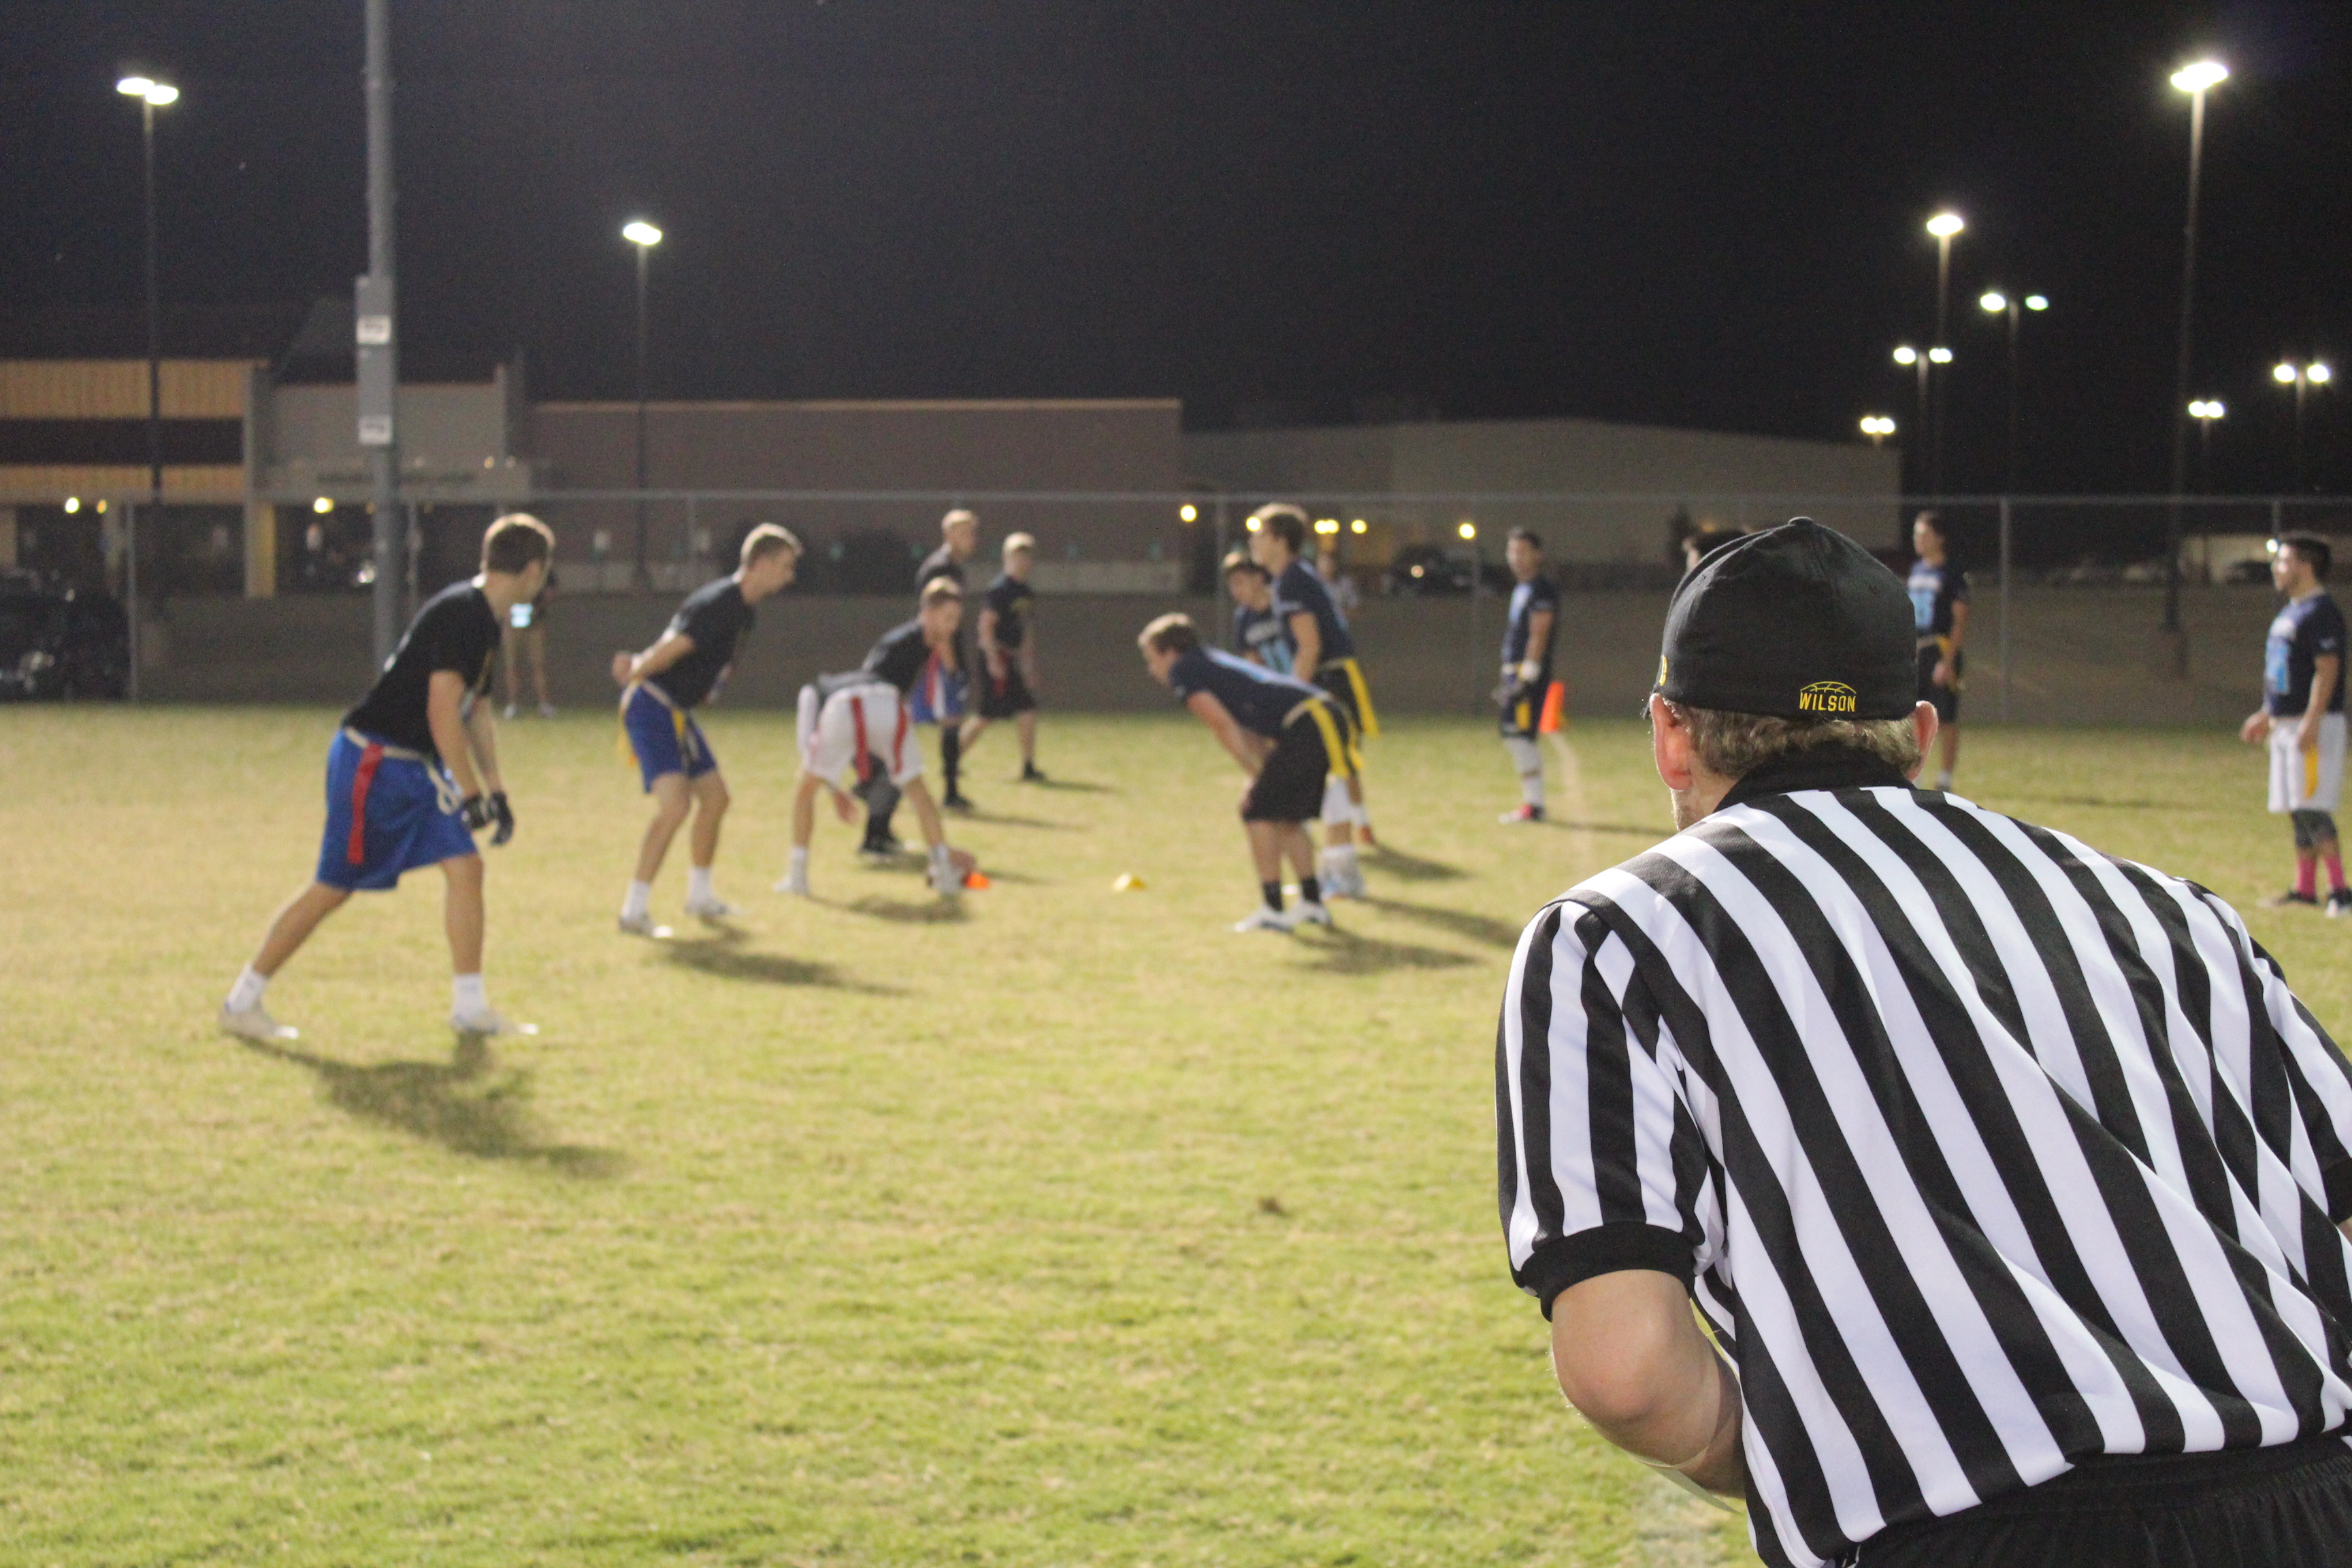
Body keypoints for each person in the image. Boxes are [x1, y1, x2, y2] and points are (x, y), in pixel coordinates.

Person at [1496, 517, 2352, 1568]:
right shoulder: (2166, 911)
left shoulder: (1616, 933)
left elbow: (1629, 1370)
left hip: (1963, 1531)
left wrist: (1795, 1456)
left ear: (1672, 735)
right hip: (2310, 1501)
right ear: (1919, 728)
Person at [219, 513, 554, 1043]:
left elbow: (476, 711)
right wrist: (470, 795)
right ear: (533, 569)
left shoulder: (484, 620)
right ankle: (242, 1001)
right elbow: (443, 710)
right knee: (333, 888)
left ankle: (470, 1008)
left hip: (412, 766)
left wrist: (497, 790)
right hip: (373, 761)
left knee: (466, 868)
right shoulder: (461, 613)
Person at [609, 523, 801, 937]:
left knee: (715, 799)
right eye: (785, 567)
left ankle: (699, 896)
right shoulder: (722, 604)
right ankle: (633, 911)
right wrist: (636, 671)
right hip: (654, 708)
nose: (790, 576)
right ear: (762, 564)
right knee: (676, 807)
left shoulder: (743, 609)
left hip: (676, 711)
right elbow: (675, 646)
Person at [1139, 612, 1351, 933]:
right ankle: (1311, 903)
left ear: (1170, 652)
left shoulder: (1184, 669)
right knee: (1286, 815)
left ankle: (1273, 909)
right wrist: (1262, 769)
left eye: (1151, 658)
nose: (1151, 669)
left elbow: (1221, 723)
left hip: (1309, 723)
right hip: (1320, 716)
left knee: (1257, 809)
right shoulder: (1207, 661)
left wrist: (1253, 773)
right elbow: (1244, 723)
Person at [783, 578, 977, 898]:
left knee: (807, 790)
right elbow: (868, 684)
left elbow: (952, 683)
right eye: (948, 618)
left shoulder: (930, 644)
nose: (953, 627)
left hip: (862, 708)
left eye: (956, 619)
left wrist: (836, 788)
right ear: (926, 612)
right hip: (872, 705)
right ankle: (939, 868)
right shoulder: (902, 641)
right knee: (917, 789)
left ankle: (799, 877)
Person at [1249, 503, 1376, 897]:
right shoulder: (1294, 577)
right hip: (1330, 680)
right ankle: (1337, 871)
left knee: (1333, 777)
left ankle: (1343, 873)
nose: (1253, 540)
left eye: (1260, 533)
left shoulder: (1291, 580)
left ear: (1279, 540)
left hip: (1329, 683)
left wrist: (1290, 703)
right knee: (1330, 777)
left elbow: (1309, 646)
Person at [2240, 532, 2349, 913]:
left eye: (2283, 562)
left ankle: (2340, 892)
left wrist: (2311, 720)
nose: (2276, 569)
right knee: (2294, 806)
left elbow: (2327, 669)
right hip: (2286, 723)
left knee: (2312, 805)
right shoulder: (2292, 611)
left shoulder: (2321, 612)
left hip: (2313, 724)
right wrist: (2268, 714)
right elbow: (2288, 673)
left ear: (2305, 565)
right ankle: (2305, 890)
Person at [959, 532, 1044, 781]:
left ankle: (1028, 766)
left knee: (1028, 709)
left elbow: (1026, 629)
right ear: (1007, 558)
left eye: (1027, 556)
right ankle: (952, 760)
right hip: (995, 658)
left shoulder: (1026, 592)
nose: (1023, 562)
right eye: (1017, 556)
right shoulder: (1000, 590)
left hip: (1012, 659)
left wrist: (1028, 666)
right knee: (986, 716)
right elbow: (986, 626)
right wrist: (994, 661)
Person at [1496, 527, 1559, 824]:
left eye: (1522, 551)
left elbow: (1539, 634)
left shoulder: (1541, 589)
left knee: (1521, 737)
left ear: (1538, 554)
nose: (1516, 558)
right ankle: (1532, 803)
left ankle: (1534, 805)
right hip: (1514, 673)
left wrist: (1526, 677)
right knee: (1513, 736)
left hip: (1525, 674)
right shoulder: (1521, 588)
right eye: (1512, 551)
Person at [1908, 508, 1969, 791]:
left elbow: (1959, 620)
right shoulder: (1916, 570)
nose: (1918, 539)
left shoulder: (1952, 574)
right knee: (1910, 714)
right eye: (1917, 534)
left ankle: (1945, 777)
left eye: (1924, 534)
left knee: (1945, 716)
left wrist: (1948, 660)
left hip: (1940, 648)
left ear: (1939, 538)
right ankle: (1914, 772)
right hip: (1917, 650)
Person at [501, 563, 557, 719]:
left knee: (538, 665)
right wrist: (508, 611)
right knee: (511, 666)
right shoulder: (509, 566)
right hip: (511, 624)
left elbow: (550, 591)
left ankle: (544, 704)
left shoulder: (543, 567)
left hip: (534, 624)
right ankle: (513, 705)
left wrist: (536, 608)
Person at [1225, 551, 1292, 673]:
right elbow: (1252, 664)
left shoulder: (1284, 601)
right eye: (1231, 586)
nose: (1235, 592)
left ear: (1258, 579)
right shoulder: (1242, 618)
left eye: (1239, 582)